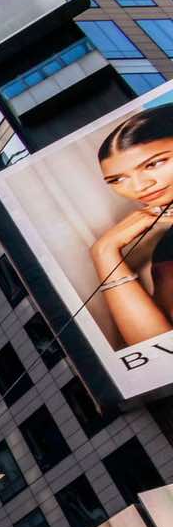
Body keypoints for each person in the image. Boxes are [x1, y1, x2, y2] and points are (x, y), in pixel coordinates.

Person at [92, 103, 173, 347]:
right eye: (117, 180)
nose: (138, 187)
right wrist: (104, 252)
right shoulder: (168, 249)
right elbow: (160, 355)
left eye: (154, 163)